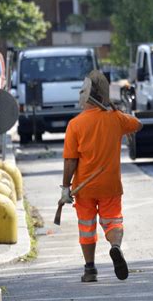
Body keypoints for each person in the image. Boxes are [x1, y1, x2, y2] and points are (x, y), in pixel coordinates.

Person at [59, 70, 142, 283]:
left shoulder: (75, 125)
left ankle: (90, 270)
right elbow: (137, 124)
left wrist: (65, 188)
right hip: (110, 185)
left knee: (87, 228)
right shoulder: (116, 119)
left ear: (86, 96)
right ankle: (115, 247)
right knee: (113, 222)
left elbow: (70, 161)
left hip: (84, 188)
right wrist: (115, 110)